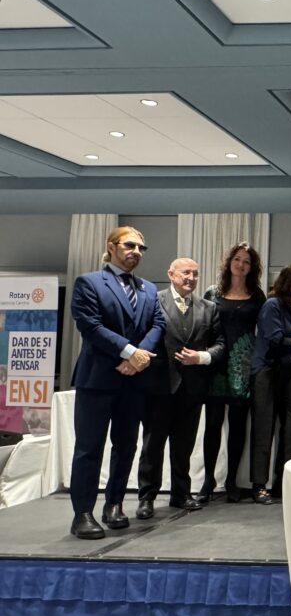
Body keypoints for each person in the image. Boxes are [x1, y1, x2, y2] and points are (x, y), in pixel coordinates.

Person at [68, 226, 166, 539]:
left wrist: (139, 357)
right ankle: (82, 514)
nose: (136, 251)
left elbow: (158, 324)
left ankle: (114, 504)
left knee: (125, 447)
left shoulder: (149, 288)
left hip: (134, 381)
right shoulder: (89, 282)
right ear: (111, 247)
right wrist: (129, 352)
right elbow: (89, 325)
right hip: (97, 379)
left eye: (141, 248)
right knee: (89, 448)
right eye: (129, 245)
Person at [137, 258, 225, 519]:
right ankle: (147, 497)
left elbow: (221, 344)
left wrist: (201, 357)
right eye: (186, 273)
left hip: (193, 388)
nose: (191, 278)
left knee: (184, 445)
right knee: (152, 446)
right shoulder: (153, 301)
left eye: (195, 274)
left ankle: (181, 493)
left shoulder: (209, 307)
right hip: (159, 386)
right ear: (171, 274)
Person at [199, 242, 265, 504]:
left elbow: (263, 332)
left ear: (252, 267)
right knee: (213, 424)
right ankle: (208, 482)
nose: (241, 265)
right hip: (215, 364)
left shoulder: (257, 295)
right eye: (237, 259)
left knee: (238, 427)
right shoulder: (212, 292)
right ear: (229, 262)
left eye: (247, 261)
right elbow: (203, 327)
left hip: (243, 366)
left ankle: (231, 482)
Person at [250, 266, 291, 504]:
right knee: (264, 428)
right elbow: (275, 339)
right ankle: (259, 485)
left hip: (290, 373)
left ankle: (284, 483)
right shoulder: (272, 305)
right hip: (267, 372)